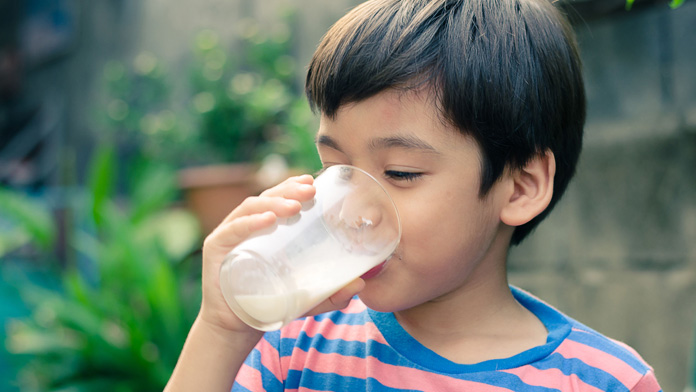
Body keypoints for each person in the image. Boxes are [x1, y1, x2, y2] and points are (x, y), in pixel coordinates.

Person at [165, 0, 663, 390]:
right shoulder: (294, 346)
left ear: (520, 186)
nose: (351, 210)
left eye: (400, 173)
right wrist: (222, 330)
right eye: (336, 169)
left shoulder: (602, 380)